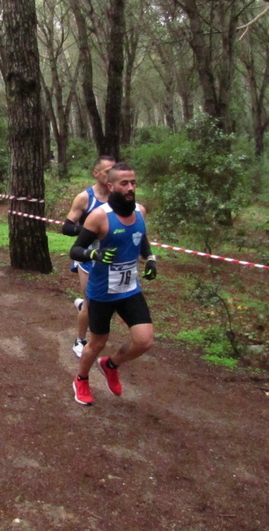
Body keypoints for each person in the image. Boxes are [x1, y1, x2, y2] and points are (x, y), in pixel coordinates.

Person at [68, 163, 158, 406]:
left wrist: (149, 258)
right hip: (102, 291)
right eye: (124, 183)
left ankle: (111, 365)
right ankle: (81, 379)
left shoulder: (140, 211)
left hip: (129, 289)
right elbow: (75, 250)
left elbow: (141, 237)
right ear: (111, 186)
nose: (130, 188)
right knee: (97, 342)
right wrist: (94, 256)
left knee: (144, 340)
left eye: (133, 183)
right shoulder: (100, 216)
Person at [62, 155, 116, 357]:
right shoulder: (85, 197)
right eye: (107, 170)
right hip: (88, 256)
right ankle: (80, 340)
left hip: (110, 258)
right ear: (96, 173)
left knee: (108, 301)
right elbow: (67, 227)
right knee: (92, 302)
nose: (111, 174)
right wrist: (90, 232)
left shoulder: (117, 196)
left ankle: (83, 306)